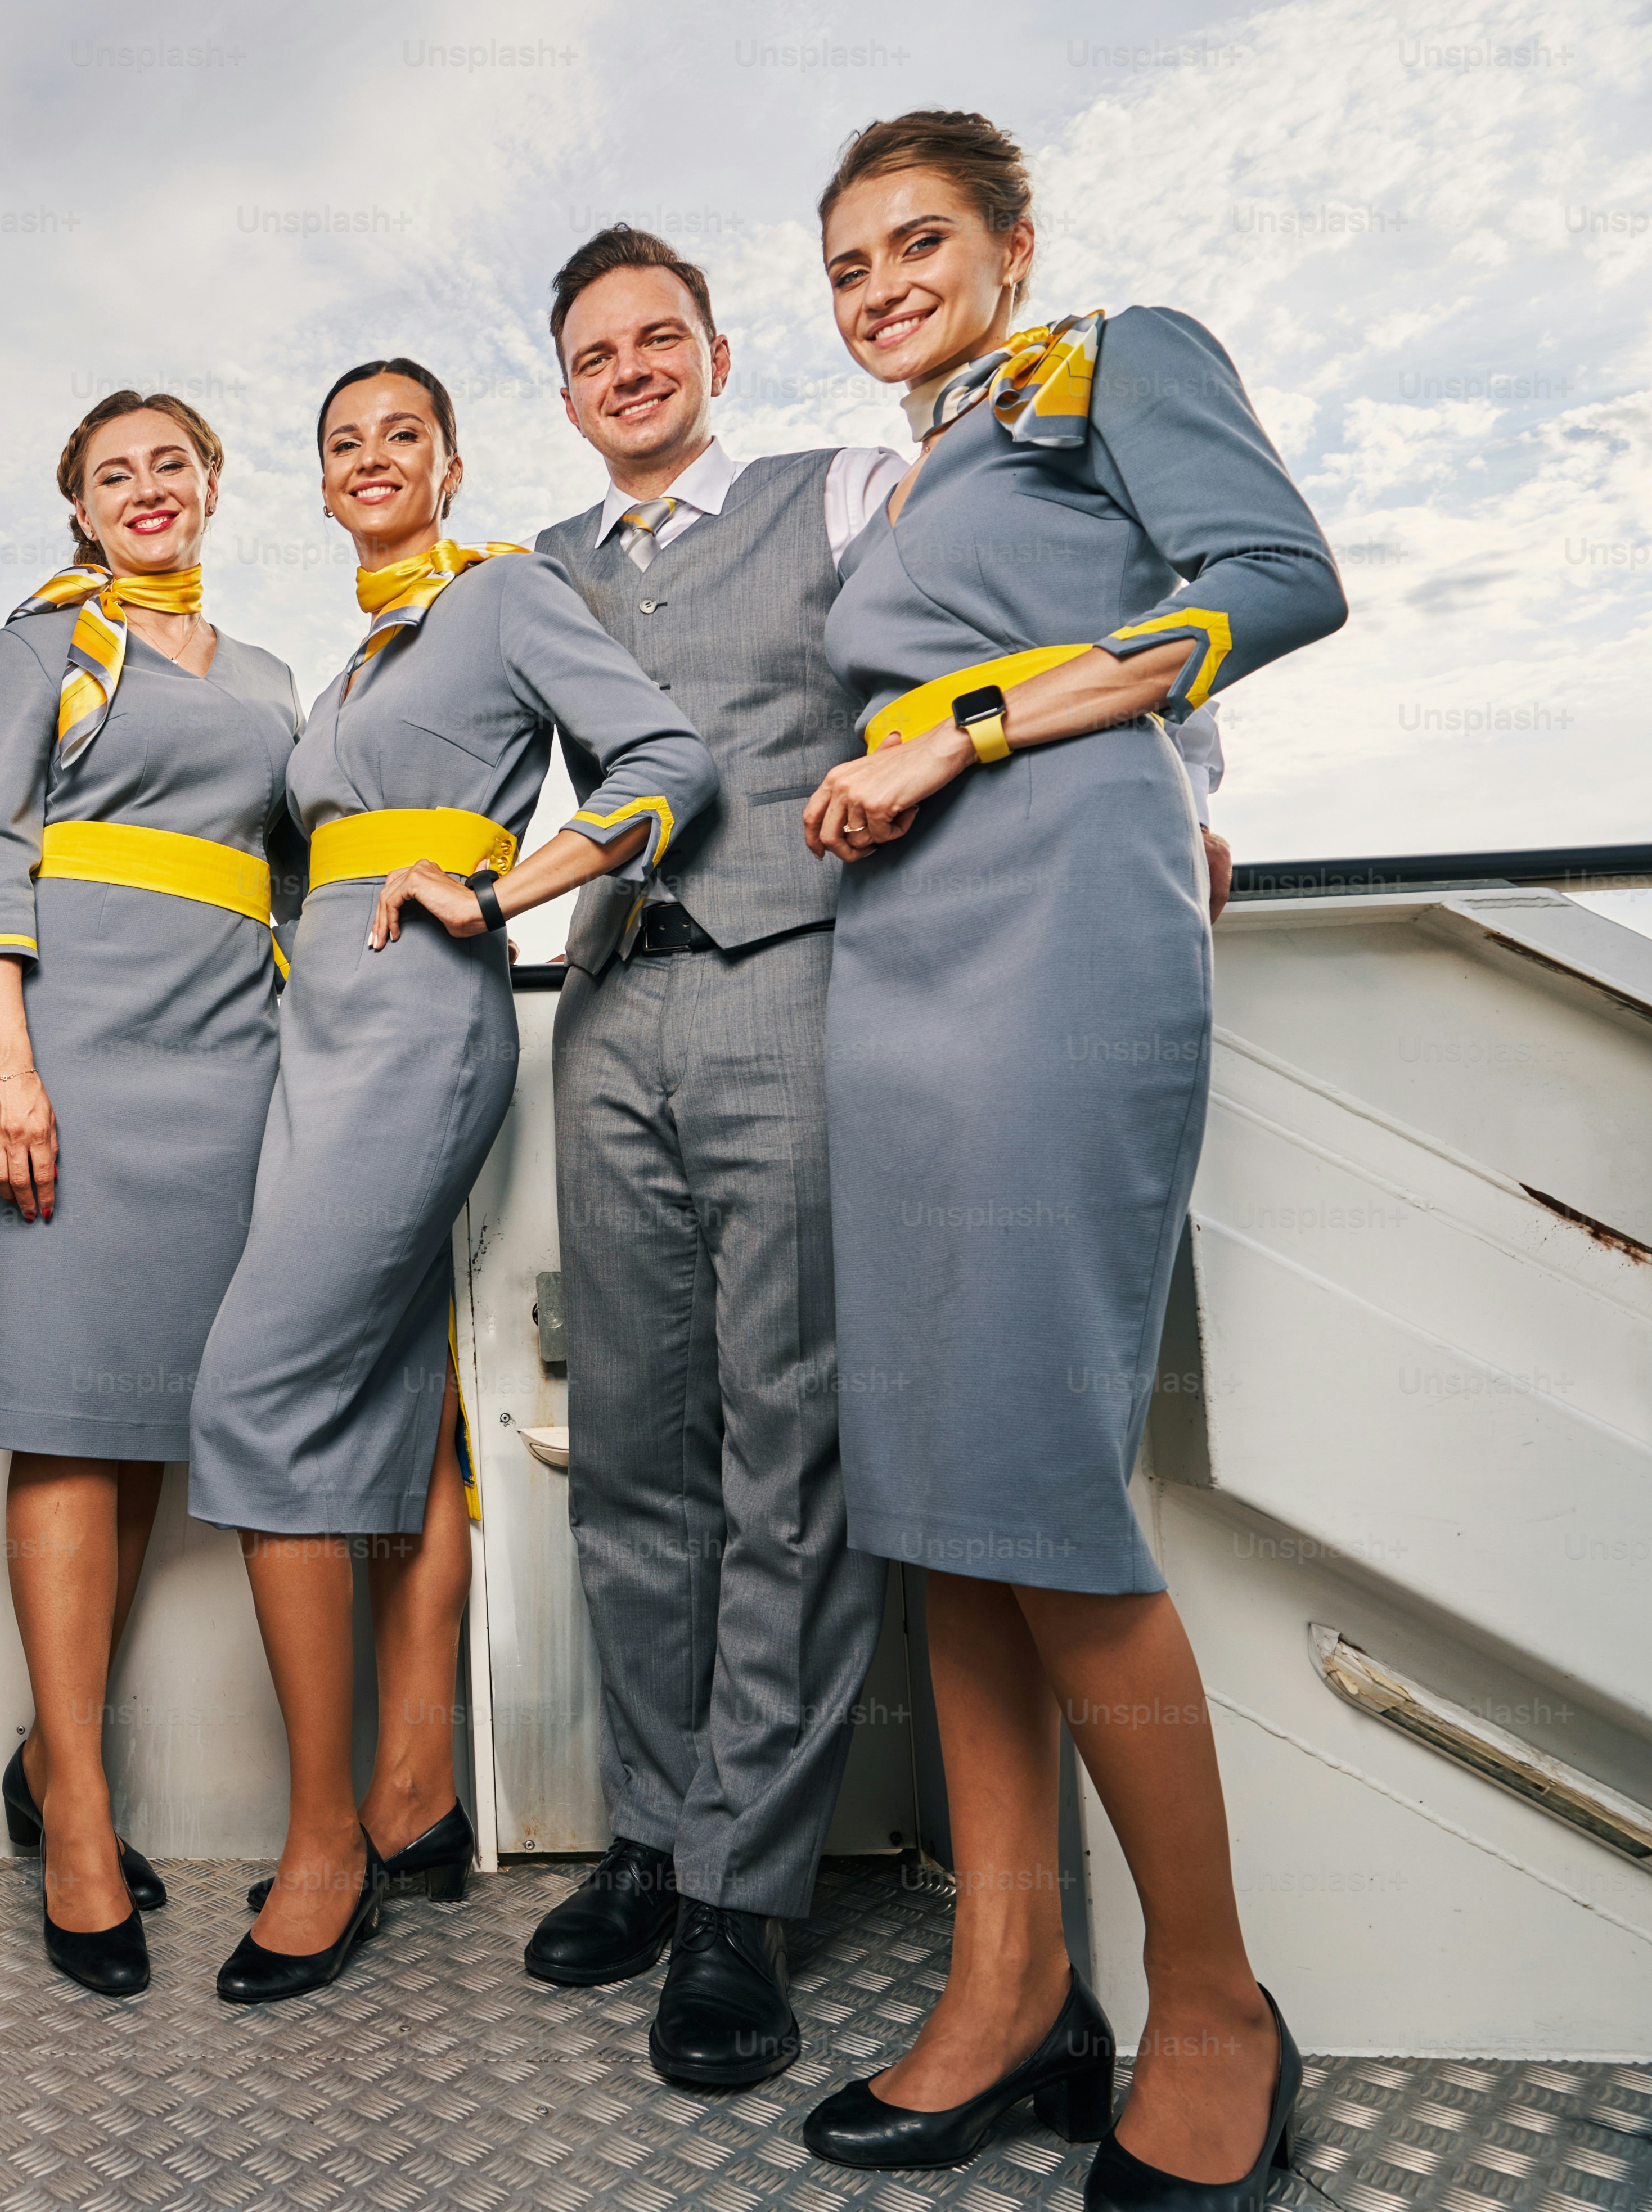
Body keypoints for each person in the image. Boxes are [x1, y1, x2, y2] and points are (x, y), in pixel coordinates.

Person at [794, 112, 1343, 2209]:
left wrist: (979, 731)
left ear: (1012, 246)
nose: (880, 288)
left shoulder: (1114, 357)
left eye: (916, 242)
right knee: (941, 1492)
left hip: (1051, 916)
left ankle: (1212, 2006)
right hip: (899, 945)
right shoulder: (907, 473)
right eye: (847, 266)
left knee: (1031, 1475)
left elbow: (1273, 581)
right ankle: (1009, 1982)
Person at [187, 359, 717, 2006]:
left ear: (451, 461)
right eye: (340, 442)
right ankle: (416, 1796)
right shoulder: (355, 660)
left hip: (421, 1026)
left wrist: (500, 884)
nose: (369, 459)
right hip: (313, 1033)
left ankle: (323, 1843)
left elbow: (664, 762)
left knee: (253, 1397)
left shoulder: (503, 595)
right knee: (400, 1407)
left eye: (399, 436)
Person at [512, 226, 899, 2091]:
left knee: (784, 1449)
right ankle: (655, 1839)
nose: (630, 371)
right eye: (595, 355)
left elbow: (1017, 621)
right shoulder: (536, 570)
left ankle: (743, 1890)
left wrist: (1189, 783)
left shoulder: (840, 490)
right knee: (630, 1452)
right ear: (565, 391)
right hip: (604, 1006)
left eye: (657, 339)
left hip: (789, 988)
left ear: (716, 353)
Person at [0, 390, 302, 1997]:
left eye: (172, 464)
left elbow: (292, 876)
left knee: (151, 1414)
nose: (146, 490)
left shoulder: (274, 678)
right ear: (79, 509)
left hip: (228, 1071)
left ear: (212, 486)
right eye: (114, 475)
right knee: (64, 1416)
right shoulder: (39, 645)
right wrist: (6, 1065)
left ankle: (49, 1763)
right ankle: (80, 1814)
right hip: (72, 1059)